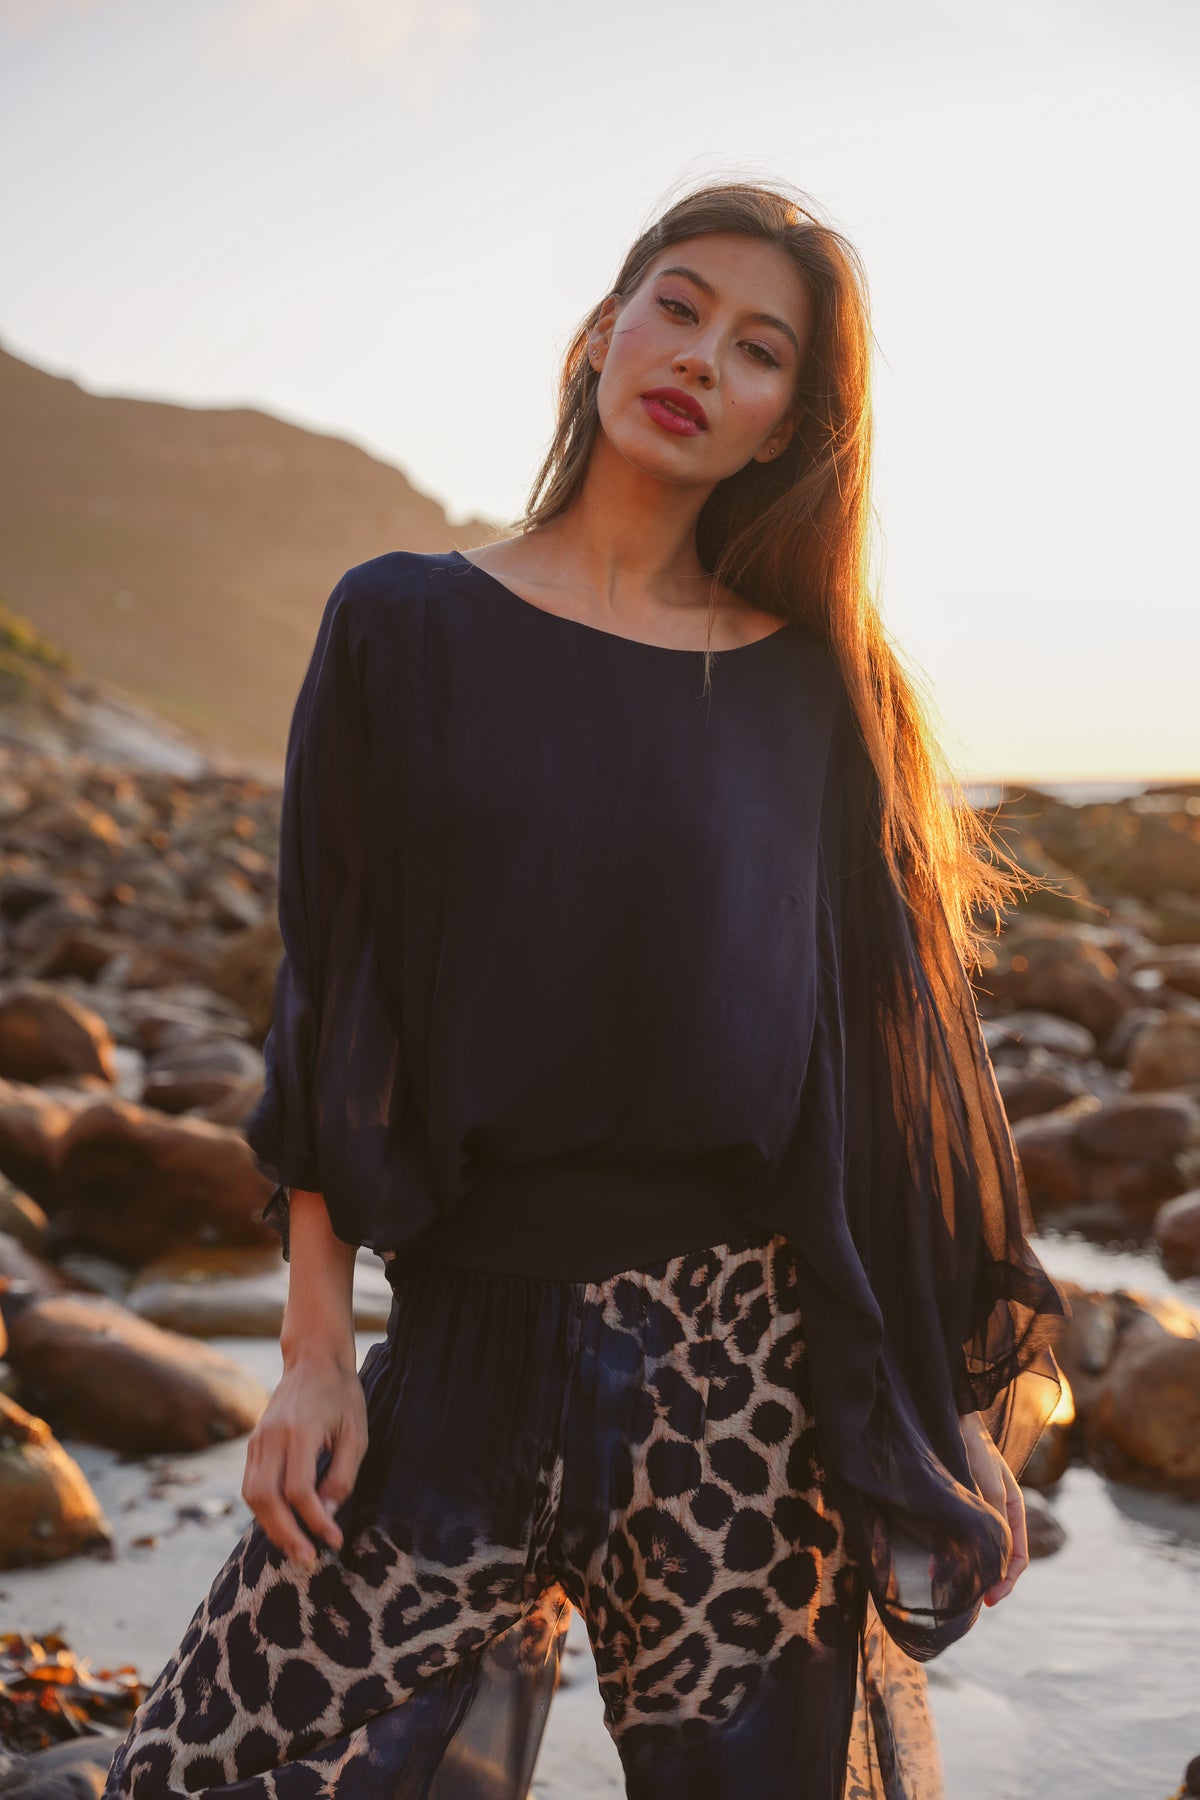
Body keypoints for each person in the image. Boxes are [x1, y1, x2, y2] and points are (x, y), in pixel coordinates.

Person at [101, 178, 1070, 1800]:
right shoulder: (401, 625)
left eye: (758, 349)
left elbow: (892, 1066)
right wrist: (316, 1349)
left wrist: (941, 1405)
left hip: (738, 1380)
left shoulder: (817, 691)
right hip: (466, 1345)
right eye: (677, 307)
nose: (700, 357)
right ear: (602, 331)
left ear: (783, 427)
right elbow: (332, 1001)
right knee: (196, 1769)